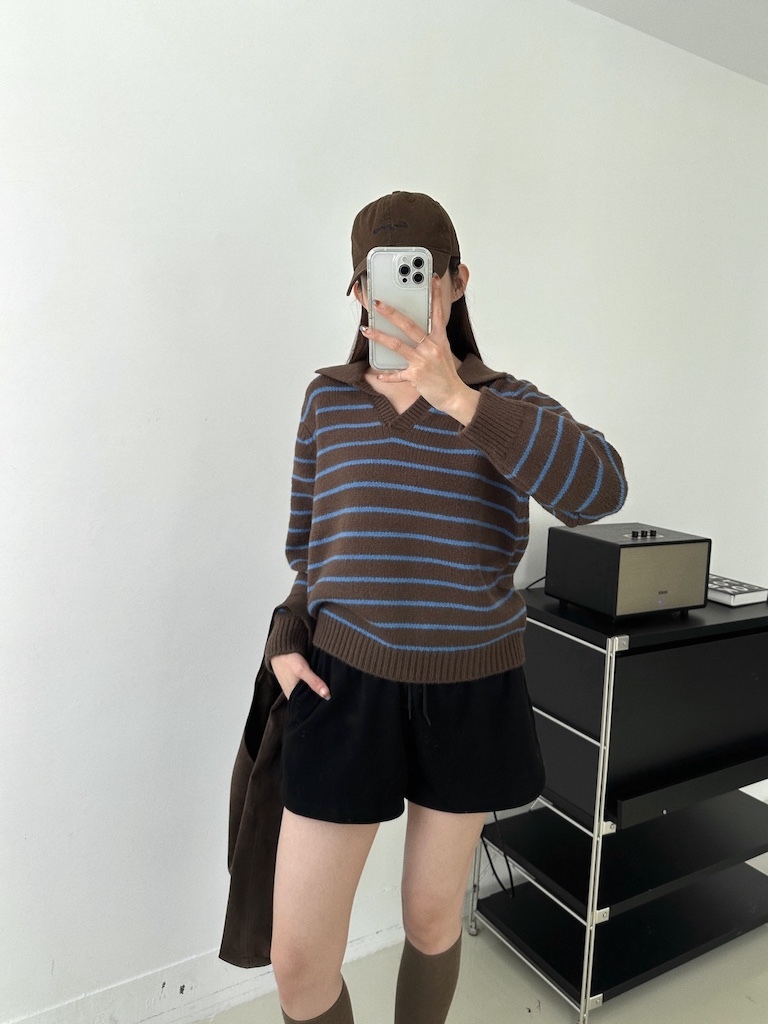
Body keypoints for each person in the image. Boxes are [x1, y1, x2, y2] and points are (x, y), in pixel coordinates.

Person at [264, 191, 627, 1024]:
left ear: (457, 281)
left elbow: (599, 492)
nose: (398, 293)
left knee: (431, 922)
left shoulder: (505, 404)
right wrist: (286, 633)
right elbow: (311, 554)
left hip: (469, 690)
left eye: (419, 272)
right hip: (342, 686)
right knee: (299, 964)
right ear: (359, 291)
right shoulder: (328, 402)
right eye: (379, 277)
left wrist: (460, 398)